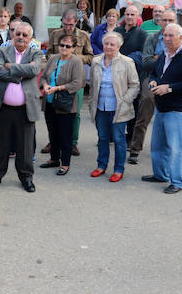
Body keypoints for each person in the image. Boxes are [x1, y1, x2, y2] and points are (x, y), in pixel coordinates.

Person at [0, 21, 43, 193]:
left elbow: (34, 71)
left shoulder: (36, 53)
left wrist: (11, 67)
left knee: (25, 147)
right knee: (1, 144)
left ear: (30, 38)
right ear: (12, 35)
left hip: (25, 109)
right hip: (4, 108)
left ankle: (26, 178)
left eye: (25, 35)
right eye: (18, 34)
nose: (21, 37)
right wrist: (21, 72)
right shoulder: (3, 50)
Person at [142, 23, 182, 194]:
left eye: (170, 36)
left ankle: (177, 182)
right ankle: (161, 175)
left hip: (178, 108)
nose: (166, 39)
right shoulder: (164, 54)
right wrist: (153, 81)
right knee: (157, 145)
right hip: (162, 106)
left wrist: (169, 88)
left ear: (181, 38)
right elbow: (154, 72)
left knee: (176, 148)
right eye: (165, 36)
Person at [128, 9, 182, 165]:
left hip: (174, 81)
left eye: (171, 20)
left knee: (171, 117)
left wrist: (157, 58)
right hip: (152, 78)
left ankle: (169, 151)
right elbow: (146, 62)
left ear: (175, 21)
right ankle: (135, 149)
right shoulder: (152, 39)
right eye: (165, 20)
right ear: (160, 22)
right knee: (145, 108)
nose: (167, 23)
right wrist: (164, 58)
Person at [88, 32, 140, 182]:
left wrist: (125, 101)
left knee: (118, 139)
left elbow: (134, 85)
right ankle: (101, 165)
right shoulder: (96, 61)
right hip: (100, 107)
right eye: (106, 44)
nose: (109, 47)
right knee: (103, 138)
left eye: (112, 44)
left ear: (119, 46)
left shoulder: (127, 62)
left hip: (119, 107)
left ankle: (118, 169)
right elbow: (92, 85)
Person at [46, 9, 94, 157]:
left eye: (71, 25)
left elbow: (90, 56)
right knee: (53, 111)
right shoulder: (55, 34)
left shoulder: (83, 35)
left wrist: (74, 58)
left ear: (76, 22)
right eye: (65, 24)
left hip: (75, 80)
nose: (68, 28)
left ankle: (73, 142)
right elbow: (48, 54)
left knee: (74, 112)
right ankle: (53, 141)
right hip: (56, 78)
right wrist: (60, 56)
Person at [39, 34, 85, 176]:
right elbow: (44, 76)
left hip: (66, 104)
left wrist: (58, 88)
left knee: (65, 135)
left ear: (73, 48)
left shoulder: (76, 62)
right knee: (52, 133)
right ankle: (54, 159)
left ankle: (65, 164)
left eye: (67, 46)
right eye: (62, 45)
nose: (64, 48)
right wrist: (46, 85)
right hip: (50, 102)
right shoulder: (53, 58)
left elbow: (78, 83)